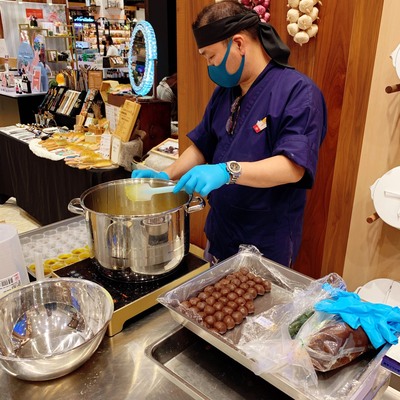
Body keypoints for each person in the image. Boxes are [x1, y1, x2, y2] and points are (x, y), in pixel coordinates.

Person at [131, 0, 327, 268]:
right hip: (221, 232)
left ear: (239, 44)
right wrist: (165, 175)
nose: (210, 65)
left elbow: (293, 167)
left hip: (265, 241)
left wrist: (228, 171)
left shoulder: (298, 92)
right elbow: (203, 146)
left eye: (211, 57)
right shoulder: (225, 92)